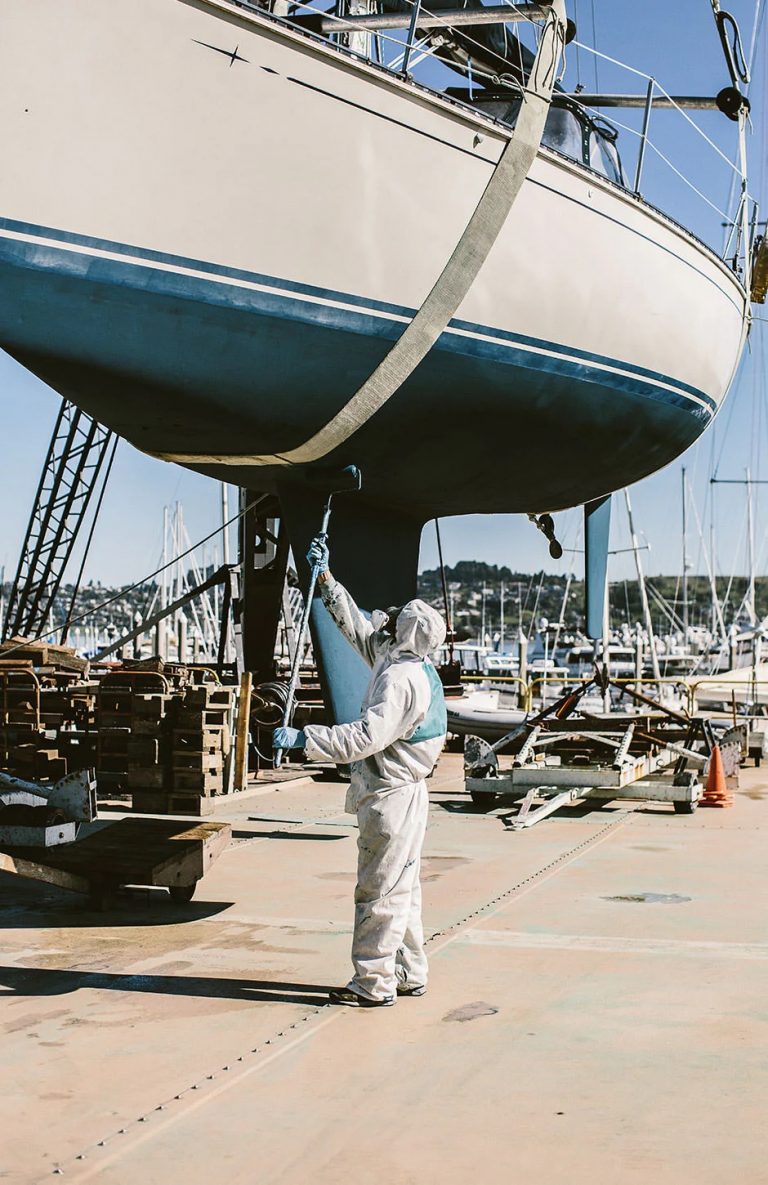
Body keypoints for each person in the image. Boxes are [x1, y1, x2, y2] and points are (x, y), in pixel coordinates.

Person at [274, 535, 447, 1008]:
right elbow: (355, 628)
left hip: (391, 795)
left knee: (378, 892)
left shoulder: (400, 680)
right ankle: (409, 971)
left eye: (396, 618)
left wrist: (306, 739)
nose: (386, 621)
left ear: (404, 631)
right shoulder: (407, 662)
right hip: (405, 793)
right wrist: (327, 582)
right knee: (402, 888)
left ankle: (373, 983)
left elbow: (365, 737)